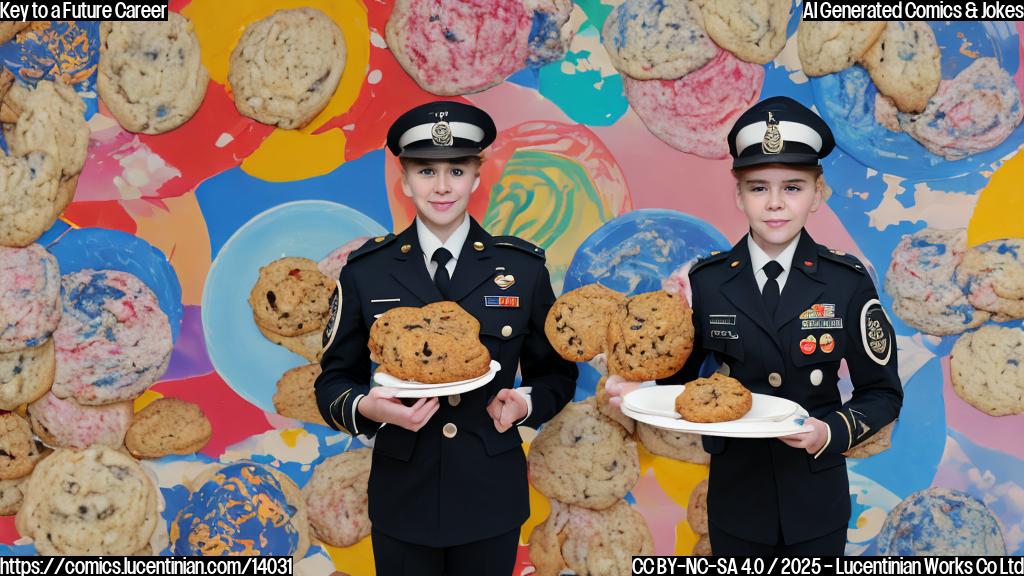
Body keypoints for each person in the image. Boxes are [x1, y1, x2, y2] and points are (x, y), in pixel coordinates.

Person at [606, 96, 903, 556]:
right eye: (759, 187)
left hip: (815, 499)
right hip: (737, 497)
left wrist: (830, 432)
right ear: (738, 194)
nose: (776, 203)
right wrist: (640, 389)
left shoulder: (845, 281)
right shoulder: (704, 282)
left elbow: (883, 393)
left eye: (794, 187)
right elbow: (682, 386)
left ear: (817, 193)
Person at [314, 100, 578, 575]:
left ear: (477, 177)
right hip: (402, 497)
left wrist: (525, 404)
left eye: (456, 170)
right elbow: (333, 380)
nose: (441, 186)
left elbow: (556, 374)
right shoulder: (367, 272)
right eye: (425, 170)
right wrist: (366, 409)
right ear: (404, 179)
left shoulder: (521, 270)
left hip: (489, 496)